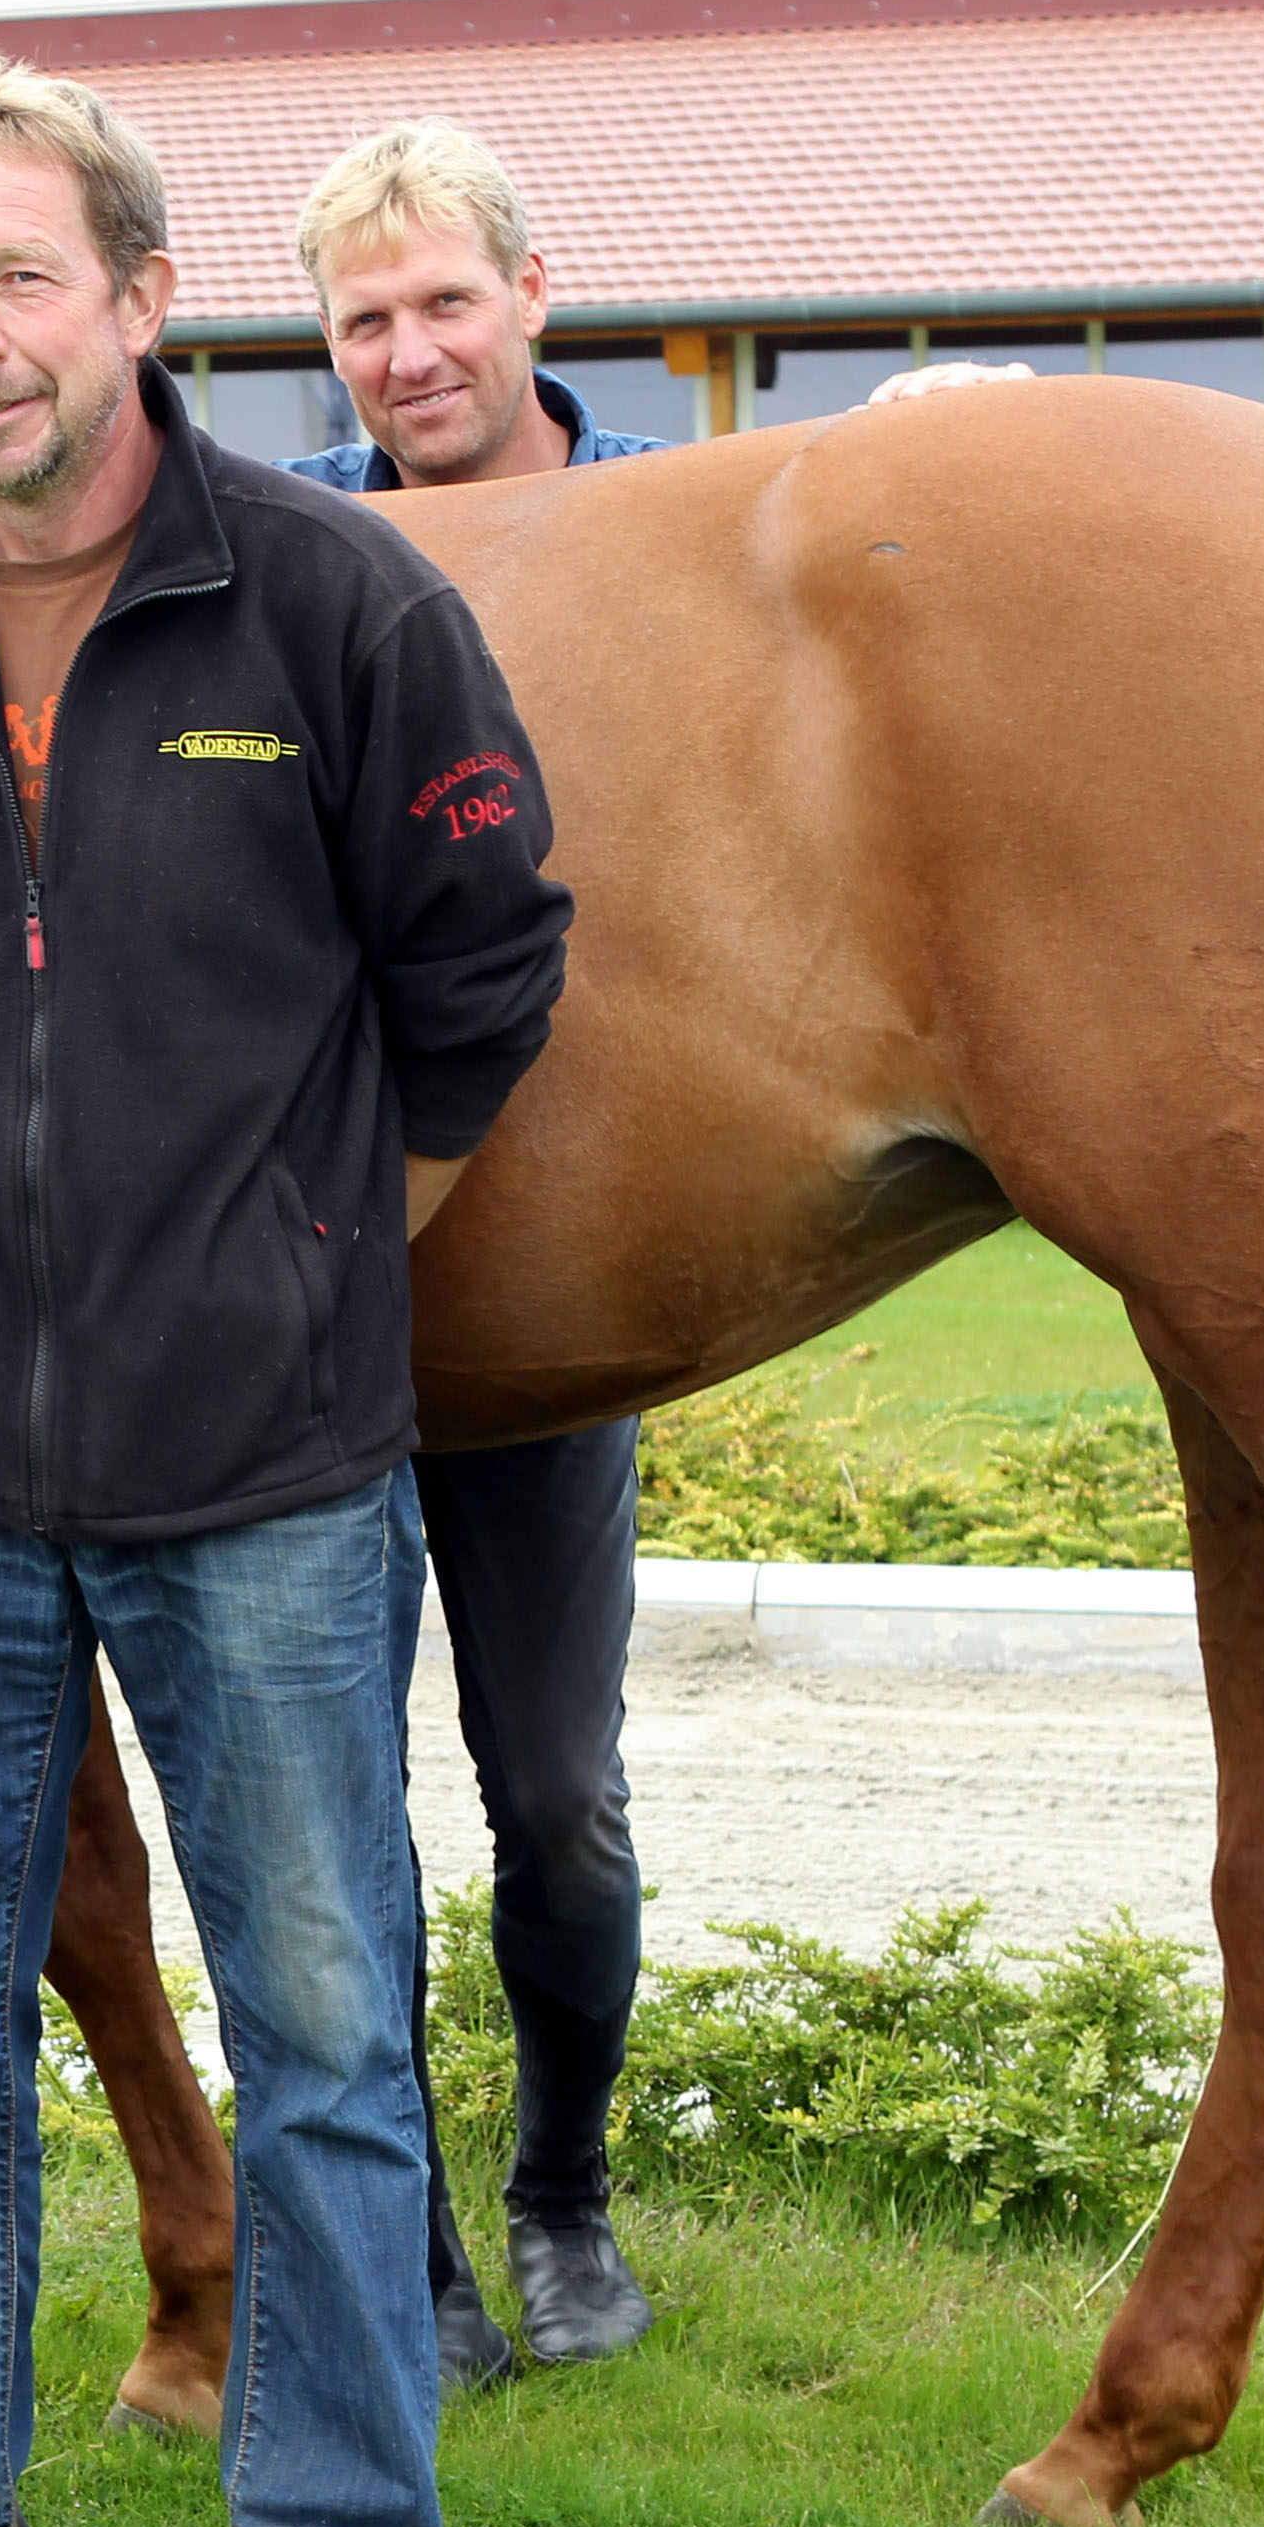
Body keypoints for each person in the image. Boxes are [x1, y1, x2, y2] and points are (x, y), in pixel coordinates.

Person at [0, 44, 571, 2527]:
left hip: (268, 1469)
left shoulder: (338, 610)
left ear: (136, 299)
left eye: (13, 280)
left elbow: (485, 966)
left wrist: (321, 1246)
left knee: (325, 2027)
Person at [283, 122, 1031, 2384]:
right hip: (313, 1305)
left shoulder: (688, 543)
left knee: (557, 1800)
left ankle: (566, 2193)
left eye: (442, 301)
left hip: (548, 1302)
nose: (410, 351)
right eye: (363, 319)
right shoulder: (278, 558)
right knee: (327, 1816)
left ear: (535, 293)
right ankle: (398, 2242)